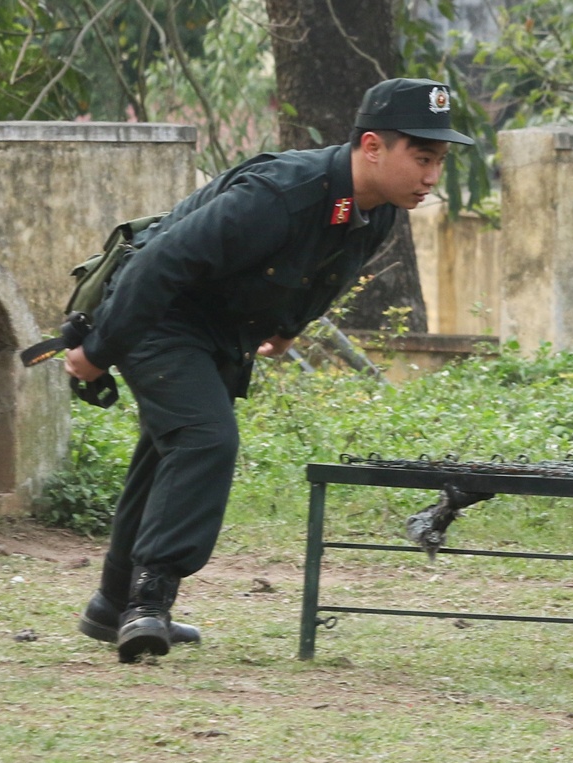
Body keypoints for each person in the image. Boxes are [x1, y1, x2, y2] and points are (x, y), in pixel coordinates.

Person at [64, 78, 474, 663]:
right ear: (373, 147)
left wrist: (288, 327)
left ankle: (112, 604)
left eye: (439, 161)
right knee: (205, 440)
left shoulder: (378, 211)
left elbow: (326, 272)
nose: (432, 176)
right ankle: (148, 603)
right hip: (159, 314)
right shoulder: (282, 192)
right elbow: (159, 262)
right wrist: (98, 349)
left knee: (166, 450)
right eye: (423, 157)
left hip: (215, 329)